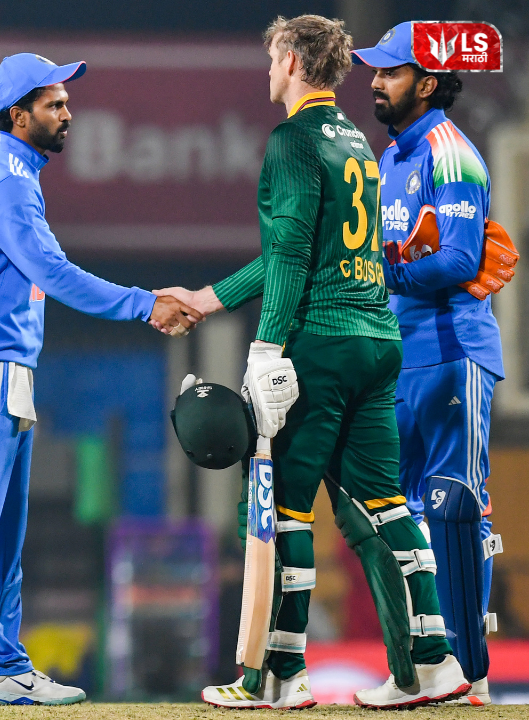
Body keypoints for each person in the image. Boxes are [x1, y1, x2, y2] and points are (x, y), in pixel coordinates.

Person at [158, 15, 469, 709]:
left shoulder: (291, 141)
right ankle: (433, 662)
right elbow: (290, 254)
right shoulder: (358, 141)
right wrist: (208, 300)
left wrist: (267, 348)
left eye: (272, 58)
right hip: (376, 342)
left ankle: (276, 675)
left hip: (320, 345)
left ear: (295, 61)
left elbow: (294, 255)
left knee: (283, 515)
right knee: (387, 506)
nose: (268, 70)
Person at [0, 53, 201, 707]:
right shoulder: (5, 183)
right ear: (17, 114)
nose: (68, 113)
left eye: (65, 101)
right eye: (54, 104)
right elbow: (54, 274)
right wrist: (146, 303)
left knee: (3, 528)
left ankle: (4, 662)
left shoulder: (15, 177)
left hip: (7, 366)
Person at [353, 22, 503, 706]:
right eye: (376, 71)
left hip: (452, 353)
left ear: (430, 82)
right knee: (398, 516)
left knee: (455, 504)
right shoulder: (389, 160)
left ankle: (470, 674)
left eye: (390, 72)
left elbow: (462, 261)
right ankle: (421, 667)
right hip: (398, 359)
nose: (376, 82)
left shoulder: (453, 153)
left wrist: (384, 273)